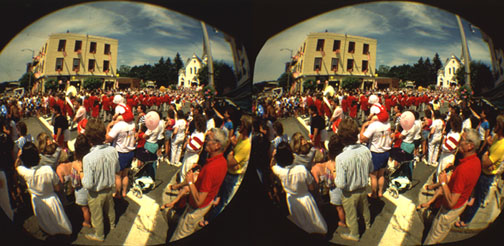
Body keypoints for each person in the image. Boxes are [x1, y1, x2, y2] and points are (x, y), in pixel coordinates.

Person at [169, 128, 228, 242]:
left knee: (180, 235)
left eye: (208, 139)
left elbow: (199, 200)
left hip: (196, 209)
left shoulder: (211, 169)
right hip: (206, 203)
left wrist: (190, 181)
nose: (205, 141)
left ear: (217, 145)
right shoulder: (222, 162)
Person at [423, 129, 481, 245]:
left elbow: (451, 202)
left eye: (462, 139)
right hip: (460, 203)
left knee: (433, 238)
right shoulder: (476, 162)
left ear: (470, 146)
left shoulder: (464, 170)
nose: (459, 142)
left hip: (449, 210)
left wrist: (443, 182)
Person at [456, 115, 504, 228]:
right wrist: (487, 151)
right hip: (484, 171)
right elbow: (488, 149)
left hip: (487, 176)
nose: (494, 127)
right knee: (472, 194)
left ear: (501, 128)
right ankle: (464, 213)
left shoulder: (502, 146)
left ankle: (466, 220)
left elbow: (485, 162)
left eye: (497, 125)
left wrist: (486, 155)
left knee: (477, 198)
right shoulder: (497, 137)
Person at [15, 142, 72, 236]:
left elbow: (16, 166)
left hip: (37, 200)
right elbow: (57, 187)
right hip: (51, 198)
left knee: (45, 222)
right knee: (60, 221)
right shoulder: (47, 170)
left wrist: (18, 157)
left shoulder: (25, 172)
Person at [271, 142, 328, 234]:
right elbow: (311, 187)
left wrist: (274, 156)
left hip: (291, 199)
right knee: (315, 222)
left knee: (300, 223)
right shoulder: (301, 169)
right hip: (305, 197)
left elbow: (272, 166)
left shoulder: (279, 171)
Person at [82, 118, 120, 242]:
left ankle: (99, 235)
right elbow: (117, 169)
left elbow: (88, 184)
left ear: (89, 139)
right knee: (110, 209)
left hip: (95, 193)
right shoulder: (113, 150)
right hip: (109, 188)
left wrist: (81, 175)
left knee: (97, 216)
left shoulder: (88, 158)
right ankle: (113, 225)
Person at [335, 118, 372, 241]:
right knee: (365, 208)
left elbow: (340, 183)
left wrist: (334, 177)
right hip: (362, 187)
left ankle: (354, 234)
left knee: (351, 215)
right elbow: (370, 168)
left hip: (349, 193)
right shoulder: (365, 150)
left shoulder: (341, 158)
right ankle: (368, 224)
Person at [56, 134, 92, 228]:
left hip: (81, 190)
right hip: (91, 188)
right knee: (91, 206)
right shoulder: (90, 159)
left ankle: (87, 222)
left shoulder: (76, 164)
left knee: (85, 209)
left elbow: (76, 182)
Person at [311, 134, 346, 228]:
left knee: (339, 208)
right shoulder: (344, 160)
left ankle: (343, 221)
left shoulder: (329, 164)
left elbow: (329, 181)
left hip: (335, 190)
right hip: (346, 188)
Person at [360, 108, 392, 199]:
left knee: (373, 176)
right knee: (381, 174)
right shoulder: (388, 124)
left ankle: (374, 194)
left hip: (375, 152)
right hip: (385, 151)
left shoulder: (374, 126)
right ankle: (380, 192)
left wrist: (363, 127)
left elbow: (363, 139)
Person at [105, 112, 136, 199]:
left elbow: (108, 139)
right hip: (130, 151)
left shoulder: (119, 126)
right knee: (125, 174)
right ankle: (124, 192)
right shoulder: (132, 124)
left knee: (118, 175)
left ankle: (118, 194)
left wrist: (108, 127)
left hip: (120, 152)